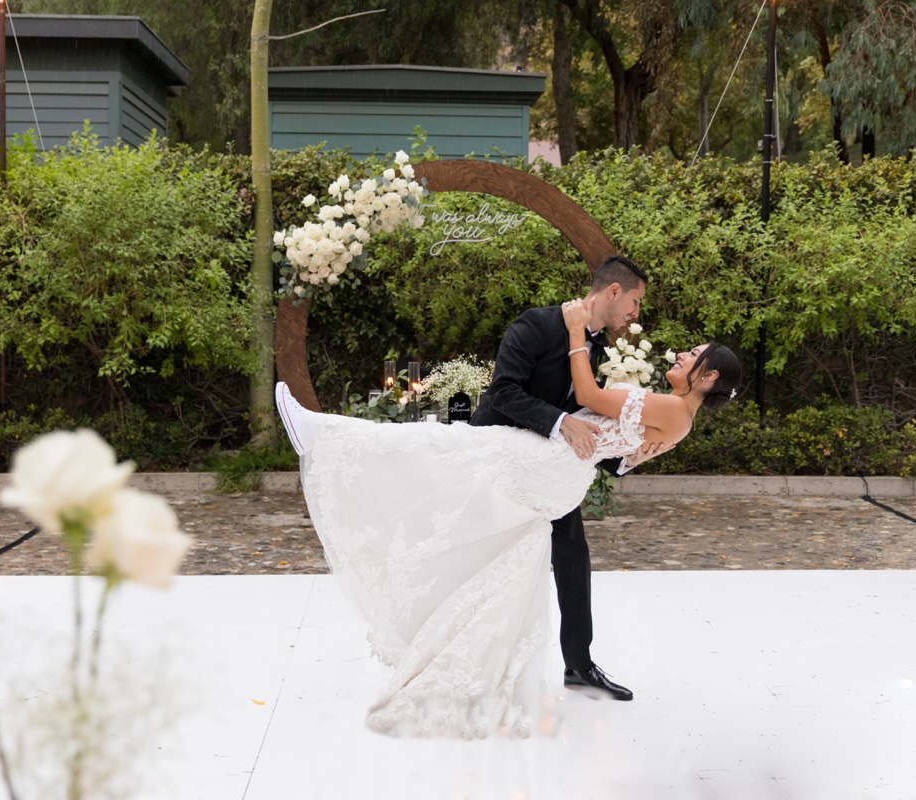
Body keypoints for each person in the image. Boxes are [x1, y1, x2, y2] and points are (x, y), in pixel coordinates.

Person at [275, 319, 740, 740]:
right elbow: (621, 462)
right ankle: (478, 656)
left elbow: (588, 398)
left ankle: (324, 436)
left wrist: (577, 334)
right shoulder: (678, 417)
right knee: (482, 526)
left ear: (709, 375)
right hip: (564, 471)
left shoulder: (674, 410)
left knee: (444, 443)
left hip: (551, 462)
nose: (680, 355)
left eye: (692, 355)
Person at [469, 254, 651, 702]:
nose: (635, 315)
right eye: (634, 301)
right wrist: (559, 422)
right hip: (497, 463)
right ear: (612, 292)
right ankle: (475, 665)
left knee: (573, 557)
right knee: (486, 566)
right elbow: (503, 392)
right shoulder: (536, 325)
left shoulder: (604, 354)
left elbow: (592, 421)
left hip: (546, 473)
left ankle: (579, 665)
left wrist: (628, 458)